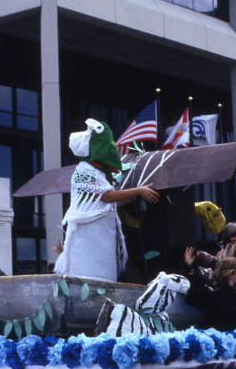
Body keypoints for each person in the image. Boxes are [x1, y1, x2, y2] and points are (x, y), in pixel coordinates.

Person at [54, 118, 160, 282]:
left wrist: (123, 200)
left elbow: (103, 200)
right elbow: (106, 196)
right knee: (91, 273)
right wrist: (139, 190)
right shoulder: (84, 171)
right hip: (89, 232)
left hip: (101, 232)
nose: (112, 148)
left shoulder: (98, 173)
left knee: (104, 272)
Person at [183, 247, 236, 331]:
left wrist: (190, 266)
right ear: (232, 273)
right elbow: (232, 318)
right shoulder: (227, 291)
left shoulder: (219, 288)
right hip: (221, 332)